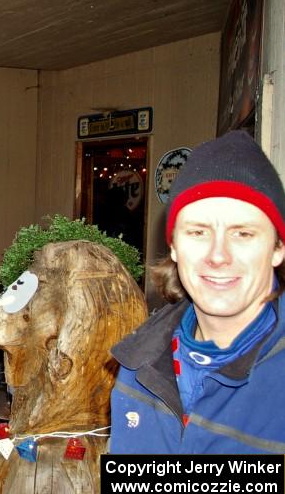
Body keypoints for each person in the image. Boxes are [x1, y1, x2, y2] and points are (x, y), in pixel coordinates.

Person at [110, 130, 285, 454]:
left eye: (243, 233)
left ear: (277, 248)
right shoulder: (138, 366)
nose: (218, 255)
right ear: (174, 246)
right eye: (198, 232)